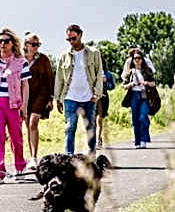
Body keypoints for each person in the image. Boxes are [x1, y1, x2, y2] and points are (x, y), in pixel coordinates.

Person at [0, 28, 30, 185]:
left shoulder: (21, 62)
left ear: (12, 44)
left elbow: (25, 86)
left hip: (14, 104)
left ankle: (20, 166)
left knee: (16, 137)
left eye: (6, 41)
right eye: (0, 41)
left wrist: (24, 106)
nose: (2, 44)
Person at [54, 25, 103, 156]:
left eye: (74, 38)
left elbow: (99, 74)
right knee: (70, 127)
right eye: (68, 39)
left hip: (89, 97)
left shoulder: (94, 53)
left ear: (80, 35)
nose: (71, 42)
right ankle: (68, 156)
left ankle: (92, 154)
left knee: (90, 127)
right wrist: (57, 98)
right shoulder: (64, 56)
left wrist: (97, 93)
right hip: (70, 97)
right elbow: (59, 78)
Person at [22, 31, 54, 169]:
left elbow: (50, 79)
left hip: (41, 95)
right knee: (27, 125)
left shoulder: (43, 59)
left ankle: (34, 157)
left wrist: (50, 98)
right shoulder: (19, 59)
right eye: (34, 44)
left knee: (33, 123)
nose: (36, 47)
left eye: (38, 44)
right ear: (26, 44)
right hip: (24, 96)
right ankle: (31, 157)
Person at [121, 47, 156, 148]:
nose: (137, 60)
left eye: (139, 58)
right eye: (135, 58)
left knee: (143, 117)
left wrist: (146, 83)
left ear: (142, 59)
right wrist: (131, 84)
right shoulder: (130, 72)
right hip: (134, 96)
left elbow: (154, 83)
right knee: (135, 119)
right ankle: (137, 141)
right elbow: (124, 86)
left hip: (145, 95)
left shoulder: (147, 70)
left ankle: (144, 139)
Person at [95, 53, 116, 148]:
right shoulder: (91, 72)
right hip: (92, 98)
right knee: (92, 121)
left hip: (103, 98)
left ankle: (97, 140)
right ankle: (97, 138)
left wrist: (105, 81)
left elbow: (112, 86)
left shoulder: (108, 74)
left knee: (99, 119)